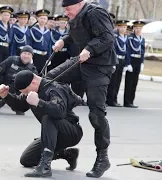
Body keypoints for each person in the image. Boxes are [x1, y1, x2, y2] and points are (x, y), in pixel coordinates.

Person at [49, 0, 117, 178]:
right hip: (81, 61)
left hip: (99, 67)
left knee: (96, 112)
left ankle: (103, 158)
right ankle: (64, 119)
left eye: (69, 10)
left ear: (80, 4)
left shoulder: (95, 13)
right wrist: (63, 40)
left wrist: (90, 49)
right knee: (47, 81)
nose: (67, 14)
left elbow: (108, 38)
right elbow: (76, 32)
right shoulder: (75, 15)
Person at [0, 70, 83, 177]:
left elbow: (59, 112)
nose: (25, 94)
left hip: (71, 132)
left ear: (33, 83)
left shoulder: (54, 89)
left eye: (26, 91)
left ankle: (45, 167)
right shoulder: (33, 89)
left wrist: (39, 102)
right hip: (51, 134)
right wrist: (6, 96)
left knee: (48, 117)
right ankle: (68, 154)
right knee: (26, 160)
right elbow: (20, 106)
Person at [0, 45, 37, 115]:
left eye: (29, 54)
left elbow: (34, 86)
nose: (26, 56)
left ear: (31, 57)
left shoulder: (32, 69)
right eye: (24, 53)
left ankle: (18, 107)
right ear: (20, 54)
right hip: (4, 91)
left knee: (21, 111)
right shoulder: (11, 60)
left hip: (18, 95)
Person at [106, 20, 129, 107]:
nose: (122, 29)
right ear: (117, 27)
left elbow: (127, 52)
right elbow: (113, 50)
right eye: (121, 27)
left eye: (124, 27)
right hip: (116, 60)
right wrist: (113, 63)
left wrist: (127, 63)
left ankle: (114, 99)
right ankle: (110, 100)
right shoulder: (115, 37)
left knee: (118, 81)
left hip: (122, 61)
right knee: (112, 81)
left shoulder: (126, 38)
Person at [123, 21, 146, 108]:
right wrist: (128, 63)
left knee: (134, 82)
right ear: (134, 29)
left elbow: (143, 52)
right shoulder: (130, 38)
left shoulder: (142, 39)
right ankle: (127, 101)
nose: (138, 30)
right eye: (136, 28)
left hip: (138, 60)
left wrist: (142, 63)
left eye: (140, 28)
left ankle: (131, 101)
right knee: (129, 82)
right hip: (132, 60)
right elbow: (127, 51)